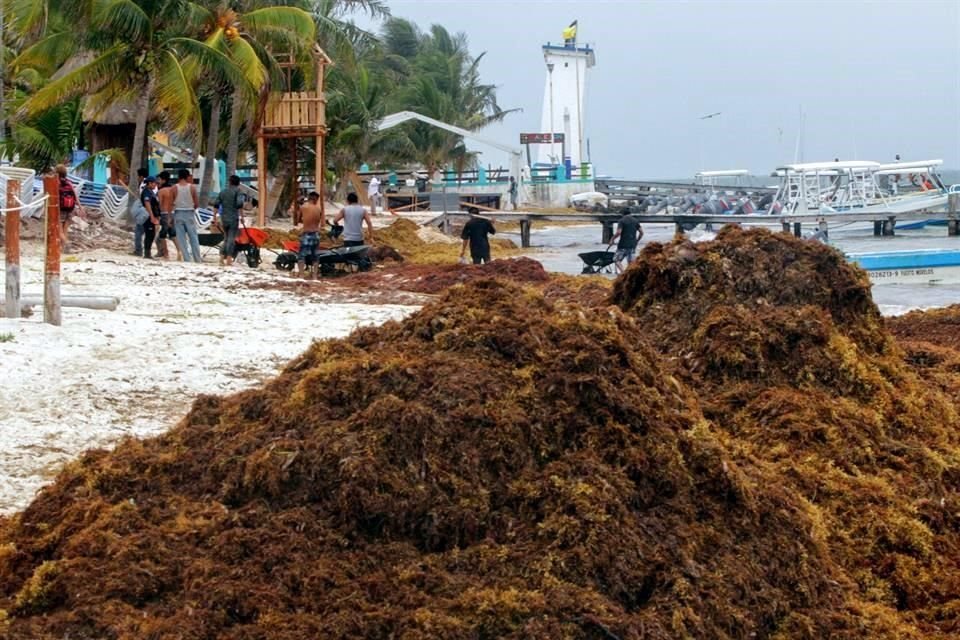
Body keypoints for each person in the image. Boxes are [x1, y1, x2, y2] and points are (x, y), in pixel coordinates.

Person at [172, 169, 202, 263]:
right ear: (187, 177)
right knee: (193, 237)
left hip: (178, 213)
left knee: (181, 238)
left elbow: (171, 203)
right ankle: (197, 259)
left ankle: (187, 259)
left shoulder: (174, 188)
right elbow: (197, 203)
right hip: (189, 213)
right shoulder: (192, 187)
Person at [215, 175, 245, 266]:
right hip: (233, 218)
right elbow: (239, 204)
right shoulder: (238, 191)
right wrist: (242, 217)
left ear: (230, 182)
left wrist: (214, 218)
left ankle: (221, 258)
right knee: (231, 239)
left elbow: (216, 204)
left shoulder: (223, 191)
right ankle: (228, 259)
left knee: (226, 238)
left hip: (224, 218)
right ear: (238, 183)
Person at [296, 191, 325, 277]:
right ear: (315, 199)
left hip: (306, 233)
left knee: (301, 255)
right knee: (315, 256)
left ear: (309, 198)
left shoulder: (303, 207)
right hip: (316, 234)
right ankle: (315, 276)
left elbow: (298, 220)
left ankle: (301, 275)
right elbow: (318, 220)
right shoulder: (318, 209)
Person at [609, 207, 643, 273]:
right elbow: (641, 232)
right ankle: (629, 274)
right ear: (630, 213)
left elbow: (619, 232)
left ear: (622, 214)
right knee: (631, 262)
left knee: (616, 259)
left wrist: (612, 239)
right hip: (632, 245)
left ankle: (623, 272)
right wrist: (637, 240)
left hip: (623, 244)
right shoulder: (635, 220)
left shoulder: (622, 221)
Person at [156, 171, 180, 260]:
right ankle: (179, 251)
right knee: (173, 234)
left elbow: (160, 205)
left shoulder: (161, 191)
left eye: (159, 179)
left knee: (162, 235)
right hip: (173, 213)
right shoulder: (173, 190)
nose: (158, 181)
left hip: (164, 214)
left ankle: (166, 254)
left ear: (163, 180)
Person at [55, 164, 79, 249]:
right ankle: (62, 247)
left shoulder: (56, 183)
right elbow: (75, 195)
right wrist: (80, 206)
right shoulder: (69, 182)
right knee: (65, 230)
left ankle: (67, 244)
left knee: (59, 230)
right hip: (70, 208)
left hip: (61, 208)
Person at [140, 176, 160, 259]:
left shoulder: (151, 192)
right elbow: (147, 204)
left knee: (151, 235)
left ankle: (148, 252)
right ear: (150, 183)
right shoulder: (146, 192)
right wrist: (152, 216)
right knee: (149, 234)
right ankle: (147, 253)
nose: (156, 185)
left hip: (152, 215)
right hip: (148, 216)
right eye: (155, 183)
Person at [132, 167, 148, 256]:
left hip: (144, 210)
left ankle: (138, 250)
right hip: (150, 210)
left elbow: (143, 199)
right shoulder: (152, 183)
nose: (138, 178)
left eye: (138, 176)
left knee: (138, 231)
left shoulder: (143, 185)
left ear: (141, 176)